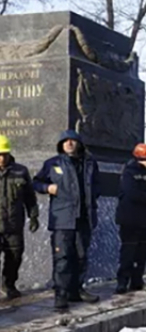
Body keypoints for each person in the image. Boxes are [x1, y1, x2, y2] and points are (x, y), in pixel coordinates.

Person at [33, 130, 101, 311]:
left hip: (84, 218)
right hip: (63, 219)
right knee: (62, 258)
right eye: (65, 141)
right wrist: (48, 187)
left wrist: (92, 199)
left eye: (73, 141)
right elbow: (36, 183)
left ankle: (76, 290)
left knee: (81, 256)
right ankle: (61, 294)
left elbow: (97, 185)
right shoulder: (53, 163)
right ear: (61, 145)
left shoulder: (90, 164)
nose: (69, 143)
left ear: (79, 143)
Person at [114, 143, 146, 294]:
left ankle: (137, 281)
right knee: (128, 252)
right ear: (137, 159)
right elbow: (131, 193)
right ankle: (122, 282)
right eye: (145, 160)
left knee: (141, 253)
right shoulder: (129, 172)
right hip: (129, 218)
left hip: (145, 218)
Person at [0, 135, 39, 300]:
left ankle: (8, 285)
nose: (1, 158)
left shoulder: (20, 171)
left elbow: (30, 197)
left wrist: (34, 216)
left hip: (14, 224)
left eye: (4, 154)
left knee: (14, 257)